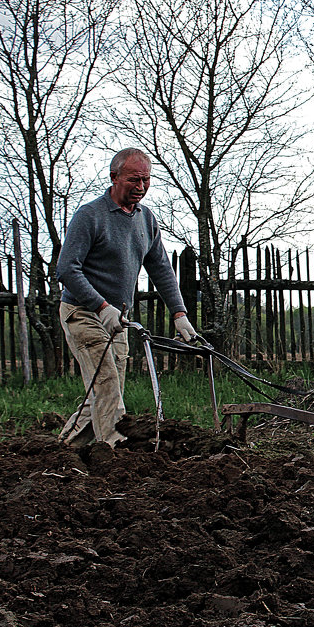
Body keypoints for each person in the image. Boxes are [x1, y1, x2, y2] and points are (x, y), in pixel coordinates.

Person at [56, 148, 197, 447]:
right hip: (82, 311)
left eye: (146, 180)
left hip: (116, 319)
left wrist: (179, 313)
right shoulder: (90, 216)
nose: (141, 187)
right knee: (106, 381)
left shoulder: (146, 220)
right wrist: (100, 305)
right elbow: (67, 269)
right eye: (134, 179)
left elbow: (160, 268)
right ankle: (116, 449)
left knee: (106, 389)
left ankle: (64, 449)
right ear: (114, 177)